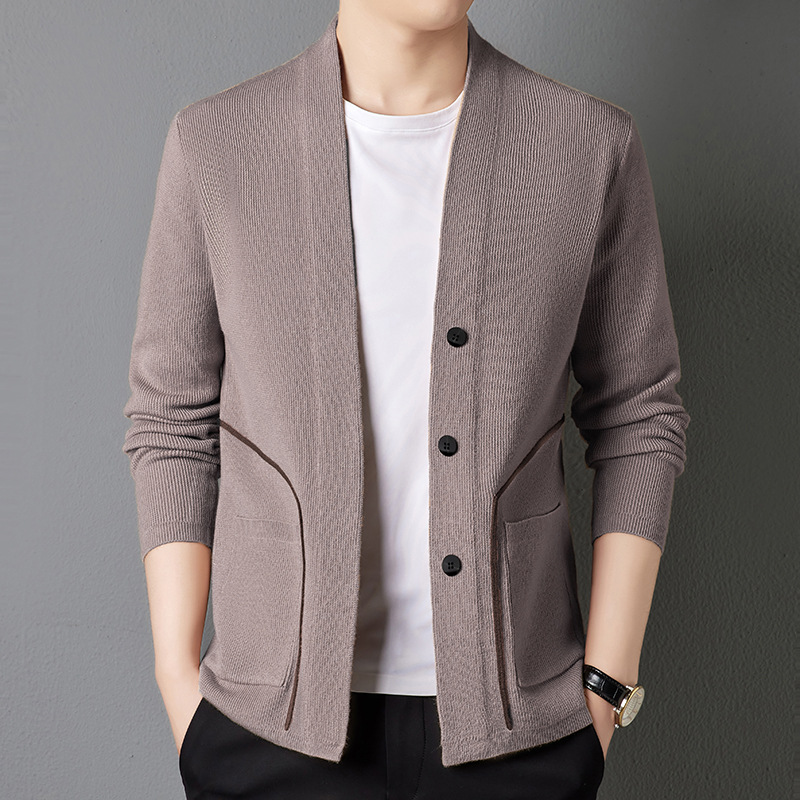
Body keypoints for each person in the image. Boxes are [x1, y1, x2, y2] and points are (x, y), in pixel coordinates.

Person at [122, 2, 690, 798]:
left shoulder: (586, 145)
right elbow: (171, 418)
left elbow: (638, 415)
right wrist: (179, 679)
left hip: (521, 736)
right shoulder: (216, 144)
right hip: (267, 733)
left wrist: (604, 690)